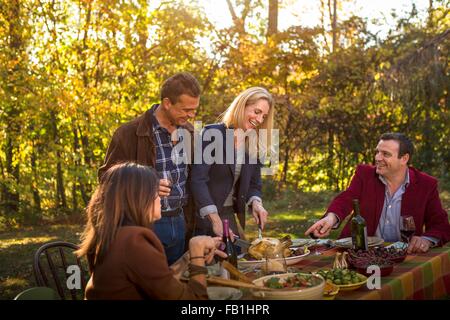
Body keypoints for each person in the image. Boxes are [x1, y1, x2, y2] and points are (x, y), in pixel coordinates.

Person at [76, 163, 226, 300]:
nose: (160, 198)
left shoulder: (117, 235)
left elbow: (160, 283)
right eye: (155, 191)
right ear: (138, 198)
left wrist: (191, 256)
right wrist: (197, 253)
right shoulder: (133, 241)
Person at [98, 72, 200, 265]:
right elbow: (106, 179)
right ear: (167, 103)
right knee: (146, 285)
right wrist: (145, 186)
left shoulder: (190, 132)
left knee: (175, 283)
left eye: (194, 110)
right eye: (186, 109)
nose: (191, 115)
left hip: (180, 221)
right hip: (144, 224)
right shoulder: (129, 133)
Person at [305, 132, 450, 254]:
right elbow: (347, 198)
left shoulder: (426, 185)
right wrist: (330, 218)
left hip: (402, 256)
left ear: (404, 159)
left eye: (385, 154)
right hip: (357, 253)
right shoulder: (365, 174)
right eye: (377, 152)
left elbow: (440, 224)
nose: (378, 158)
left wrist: (426, 239)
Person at [190, 87, 275, 238]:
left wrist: (256, 203)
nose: (260, 120)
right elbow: (198, 180)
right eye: (257, 112)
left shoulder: (254, 142)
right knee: (208, 260)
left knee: (236, 259)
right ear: (242, 106)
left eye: (264, 116)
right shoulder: (212, 134)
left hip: (229, 215)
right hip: (204, 215)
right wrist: (214, 218)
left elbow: (254, 184)